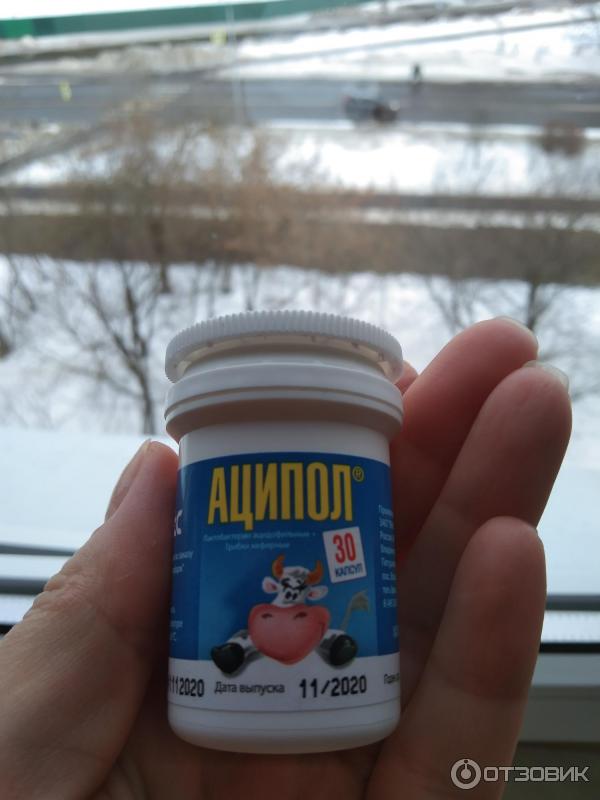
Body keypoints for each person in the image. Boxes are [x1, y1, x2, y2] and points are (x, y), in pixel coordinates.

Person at [0, 317, 571, 799]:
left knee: (321, 626)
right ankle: (239, 656)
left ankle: (333, 654)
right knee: (257, 629)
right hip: (229, 687)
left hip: (294, 660)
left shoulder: (313, 589)